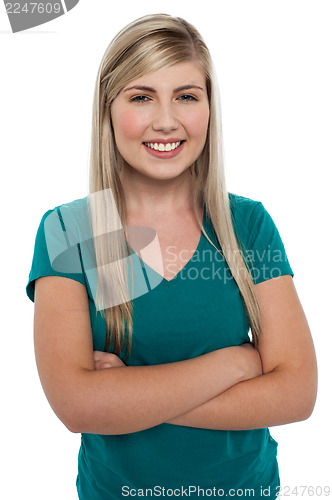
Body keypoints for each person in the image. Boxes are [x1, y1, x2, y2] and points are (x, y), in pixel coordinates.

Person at [26, 13, 317, 500]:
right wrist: (235, 364)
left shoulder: (247, 225)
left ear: (208, 108)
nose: (166, 120)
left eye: (186, 96)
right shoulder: (70, 230)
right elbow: (77, 406)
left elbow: (297, 393)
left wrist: (128, 396)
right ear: (108, 110)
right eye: (142, 97)